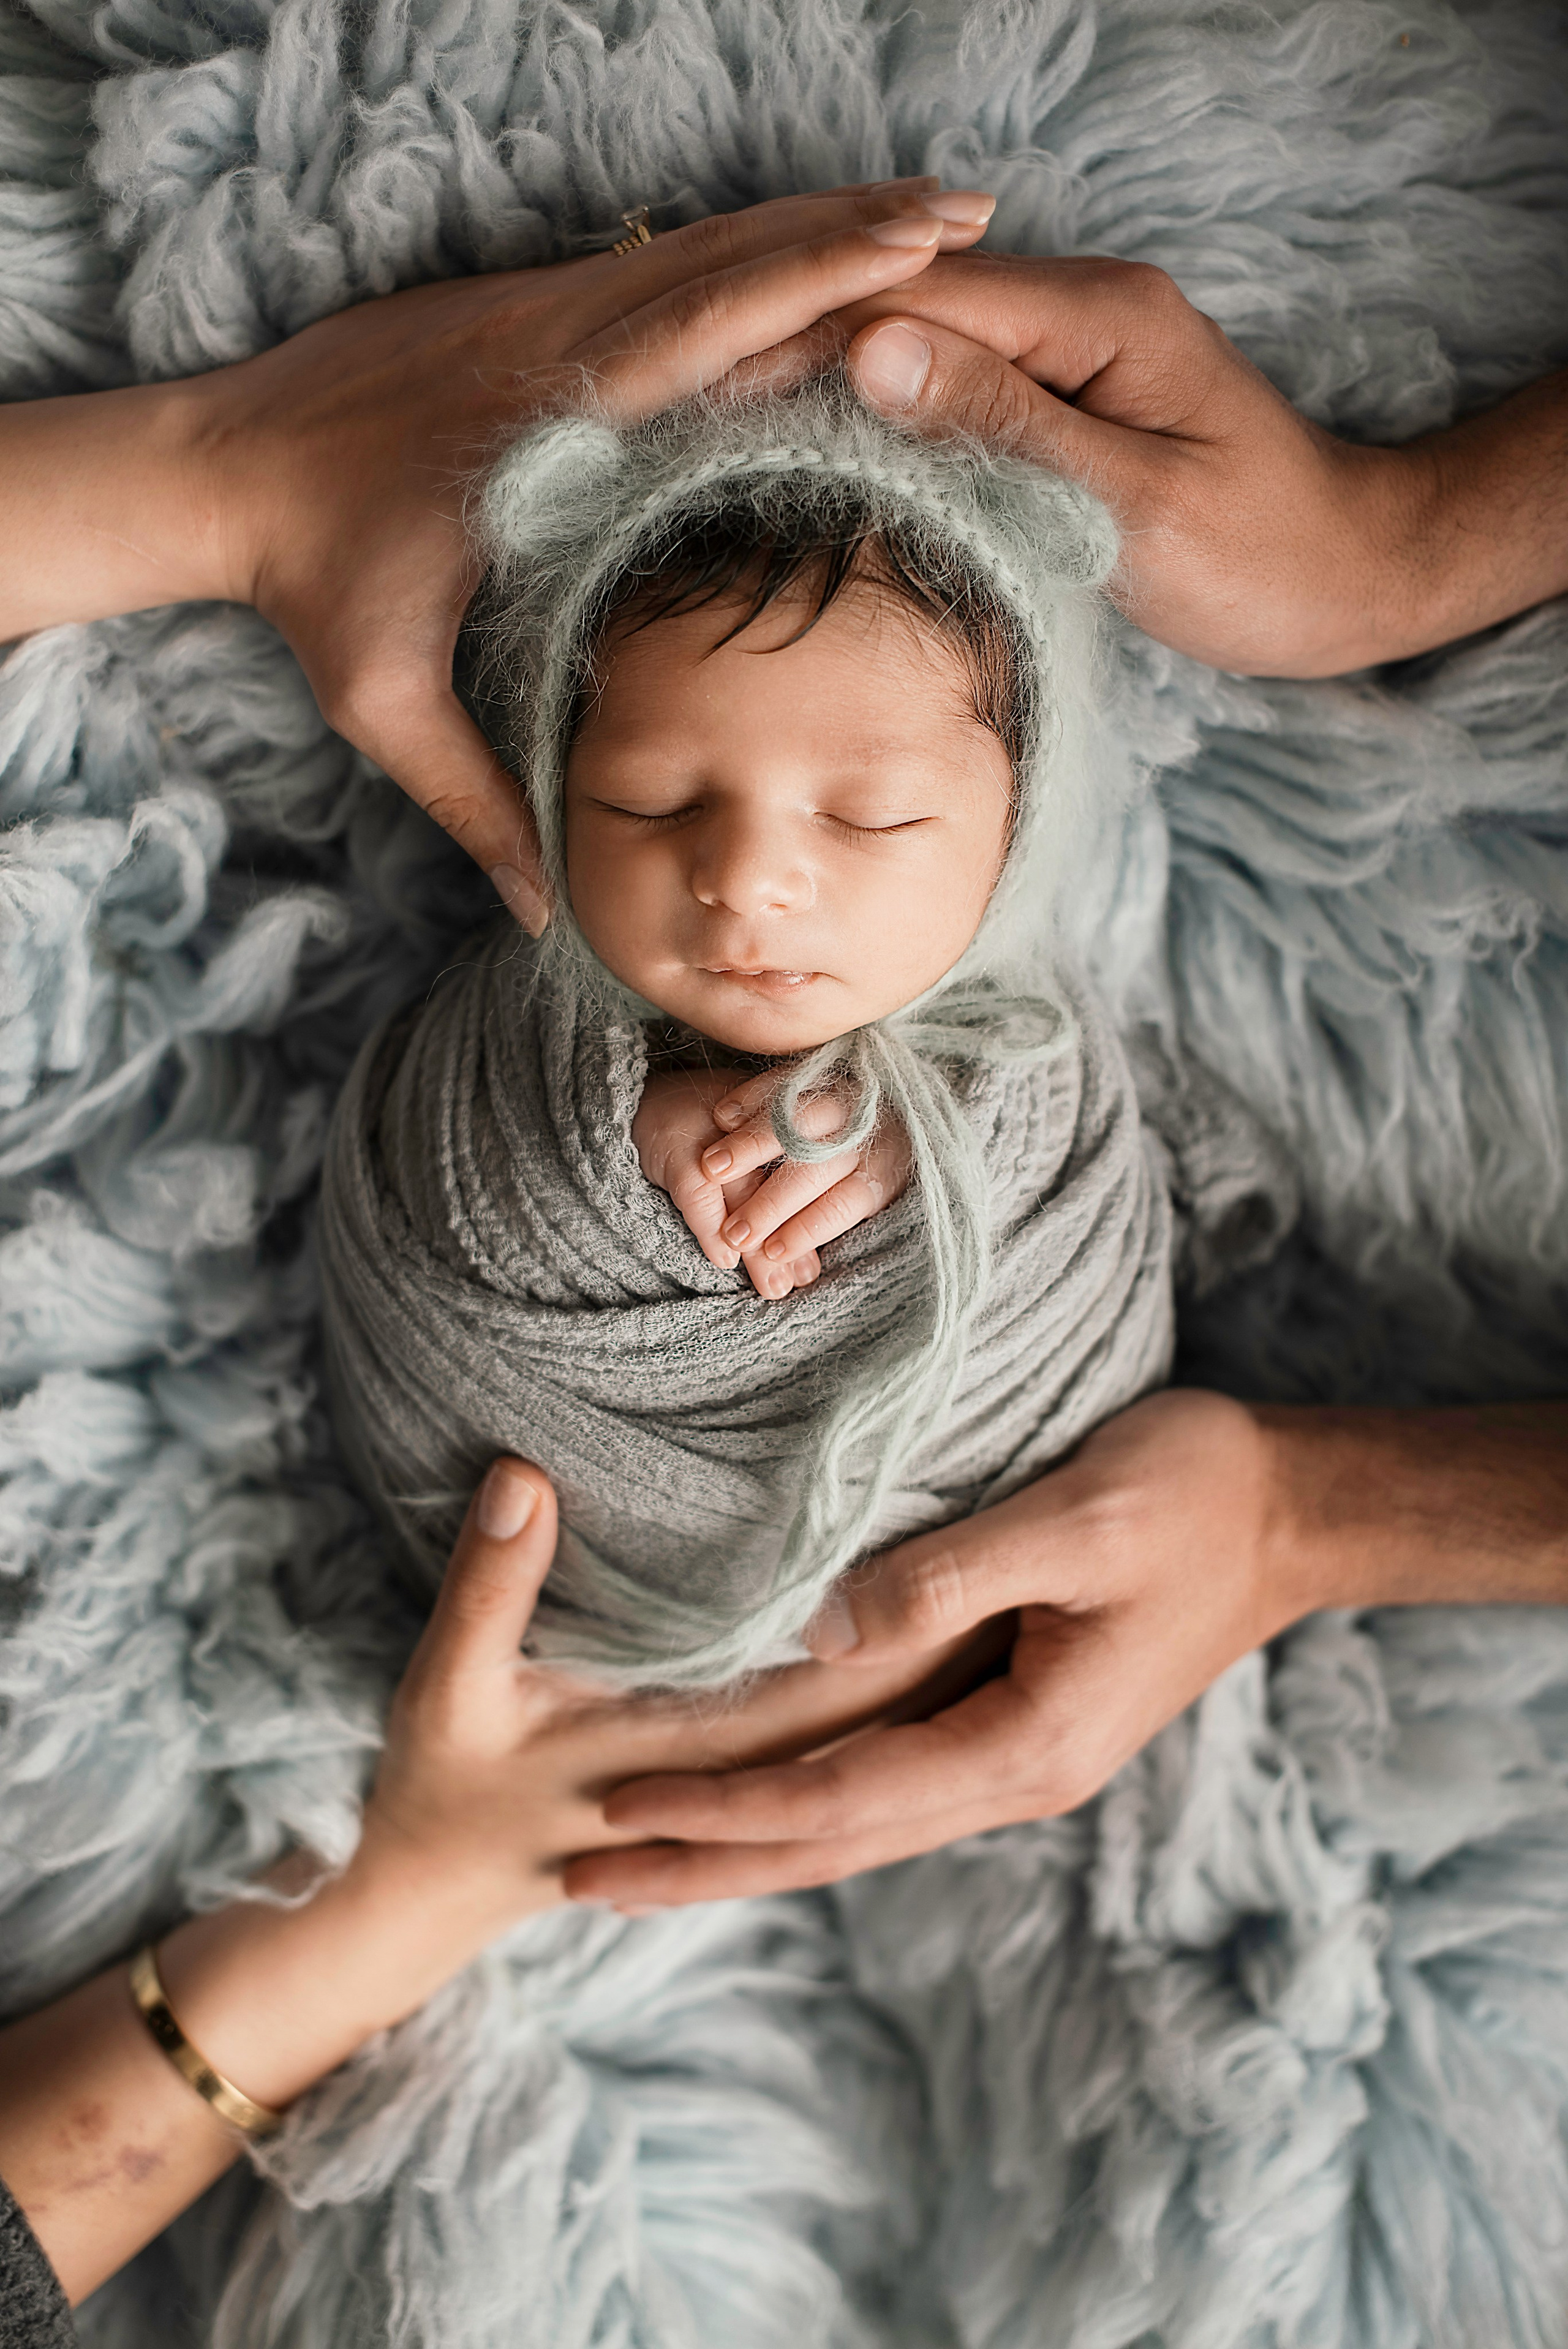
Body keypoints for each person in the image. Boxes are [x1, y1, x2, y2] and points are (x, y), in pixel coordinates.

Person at [2, 181, 1566, 1896]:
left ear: (1016, 824)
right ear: (536, 786)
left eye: (876, 818)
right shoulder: (507, 1040)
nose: (748, 878)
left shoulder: (1025, 1064)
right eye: (652, 795)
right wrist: (619, 1135)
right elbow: (437, 1172)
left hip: (977, 1494)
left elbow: (1048, 1139)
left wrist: (924, 1145)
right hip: (544, 1554)